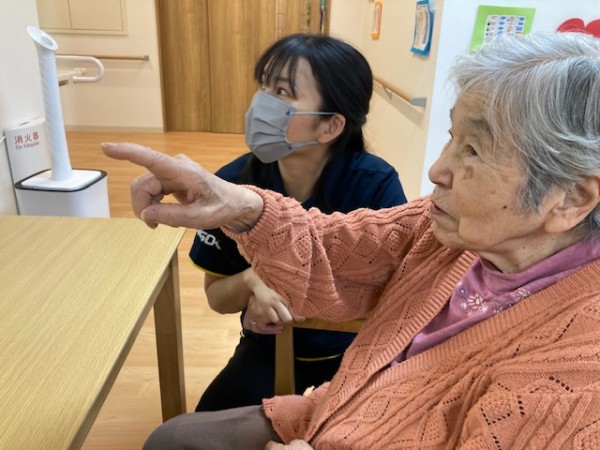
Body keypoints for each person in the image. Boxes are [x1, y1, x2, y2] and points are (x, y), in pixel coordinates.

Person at [103, 31, 600, 450]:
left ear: (571, 199)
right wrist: (239, 206)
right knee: (172, 438)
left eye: (472, 149)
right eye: (451, 137)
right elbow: (336, 248)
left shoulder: (575, 376)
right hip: (345, 403)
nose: (437, 170)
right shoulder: (450, 232)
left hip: (354, 411)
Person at [188, 33, 407, 412]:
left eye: (283, 92)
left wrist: (295, 286)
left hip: (355, 348)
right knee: (205, 424)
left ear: (330, 126)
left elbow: (399, 292)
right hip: (268, 346)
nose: (262, 103)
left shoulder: (374, 185)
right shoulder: (233, 185)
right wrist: (253, 281)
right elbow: (216, 298)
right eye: (264, 87)